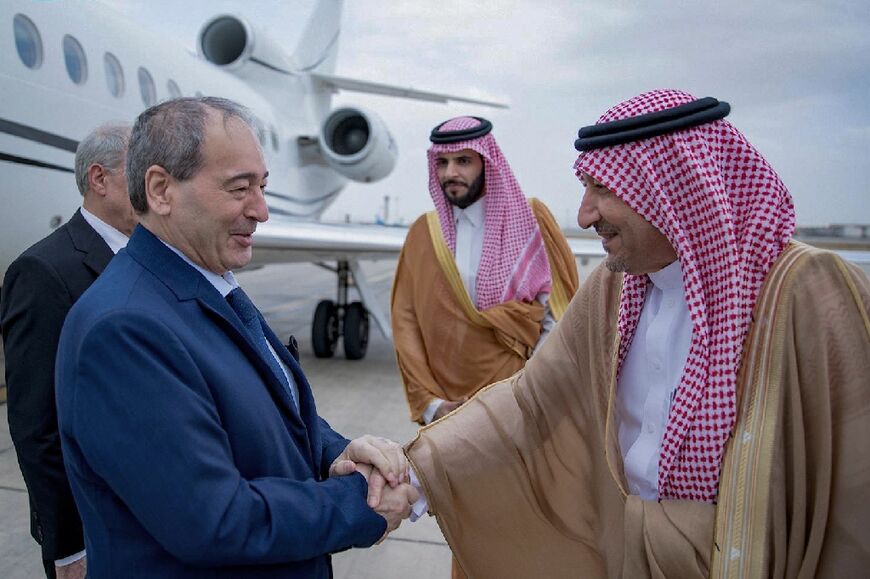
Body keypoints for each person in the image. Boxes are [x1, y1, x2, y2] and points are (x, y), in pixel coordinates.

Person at [405, 90, 870, 578]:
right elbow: (530, 401)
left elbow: (856, 495)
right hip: (626, 555)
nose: (584, 215)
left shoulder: (807, 293)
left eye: (602, 189)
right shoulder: (615, 287)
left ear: (672, 189)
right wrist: (415, 472)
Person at [54, 97, 416, 579]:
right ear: (161, 190)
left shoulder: (207, 284)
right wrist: (361, 503)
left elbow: (266, 418)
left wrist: (337, 454)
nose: (262, 211)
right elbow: (213, 519)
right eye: (239, 188)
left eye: (262, 187)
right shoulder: (123, 329)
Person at [1, 122, 135, 579]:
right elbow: (36, 428)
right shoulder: (43, 272)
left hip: (150, 516)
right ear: (100, 180)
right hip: (94, 530)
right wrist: (67, 548)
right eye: (140, 173)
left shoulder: (150, 256)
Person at [392, 116, 578, 426]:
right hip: (444, 410)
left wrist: (528, 392)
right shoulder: (423, 233)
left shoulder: (531, 219)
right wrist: (431, 404)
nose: (450, 172)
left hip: (517, 403)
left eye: (463, 161)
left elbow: (558, 315)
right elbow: (406, 321)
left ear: (487, 162)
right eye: (442, 162)